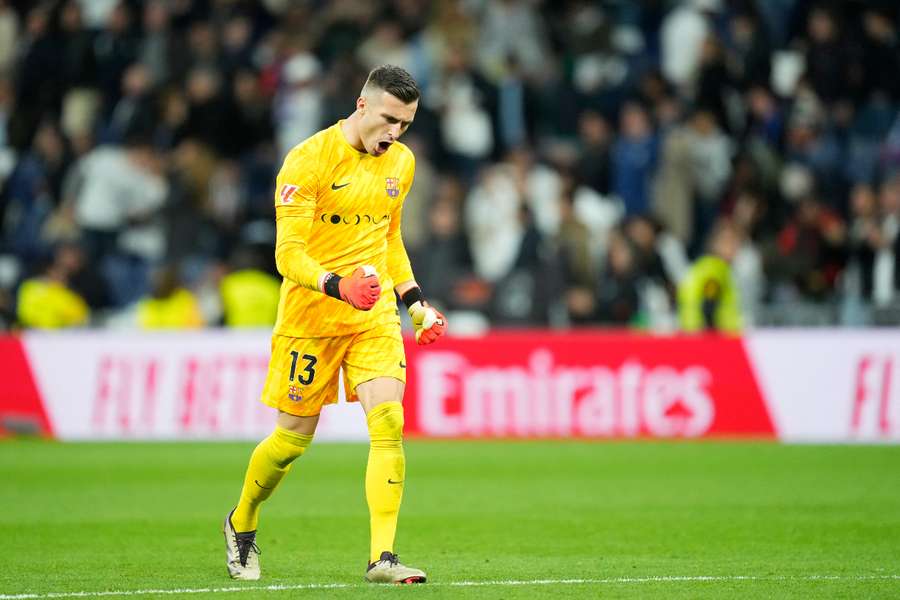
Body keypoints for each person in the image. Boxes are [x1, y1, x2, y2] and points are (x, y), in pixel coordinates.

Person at [223, 65, 446, 585]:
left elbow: (388, 239)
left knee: (389, 423)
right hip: (311, 319)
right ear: (361, 105)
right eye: (389, 119)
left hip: (371, 319)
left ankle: (382, 558)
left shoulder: (402, 163)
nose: (395, 134)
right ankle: (241, 521)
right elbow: (287, 254)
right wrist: (336, 285)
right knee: (290, 442)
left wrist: (414, 303)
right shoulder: (308, 160)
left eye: (406, 125)